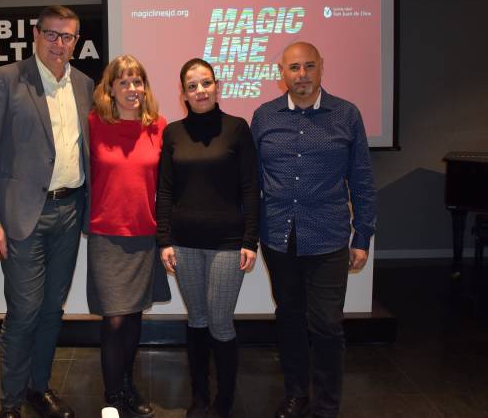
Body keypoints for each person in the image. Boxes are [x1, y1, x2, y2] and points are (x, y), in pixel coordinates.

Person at [0, 5, 94, 418]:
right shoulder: (5, 79)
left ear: (77, 40)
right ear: (36, 35)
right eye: (53, 35)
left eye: (68, 36)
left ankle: (39, 389)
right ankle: (9, 403)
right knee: (24, 312)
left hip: (70, 211)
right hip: (23, 217)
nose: (60, 44)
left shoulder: (85, 85)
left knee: (53, 310)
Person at [250, 42, 376, 418]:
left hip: (328, 237)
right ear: (281, 74)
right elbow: (251, 179)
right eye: (293, 68)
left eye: (308, 67)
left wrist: (363, 236)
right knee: (288, 318)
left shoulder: (347, 115)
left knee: (326, 325)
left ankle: (326, 405)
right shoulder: (264, 117)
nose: (301, 75)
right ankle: (295, 394)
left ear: (321, 67)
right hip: (278, 237)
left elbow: (363, 180)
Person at [156, 58, 259, 418]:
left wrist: (251, 239)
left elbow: (250, 188)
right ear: (183, 93)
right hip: (183, 241)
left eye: (206, 83)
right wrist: (164, 240)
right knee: (197, 319)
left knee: (219, 321)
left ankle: (224, 400)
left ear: (218, 87)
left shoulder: (237, 128)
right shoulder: (172, 133)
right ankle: (199, 396)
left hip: (228, 243)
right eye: (192, 85)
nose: (200, 90)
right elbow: (165, 191)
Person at [87, 55, 170, 418]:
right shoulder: (94, 124)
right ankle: (113, 395)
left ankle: (127, 386)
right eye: (123, 82)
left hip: (144, 233)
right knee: (115, 319)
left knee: (134, 316)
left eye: (137, 81)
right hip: (106, 233)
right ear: (110, 89)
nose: (132, 89)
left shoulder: (159, 127)